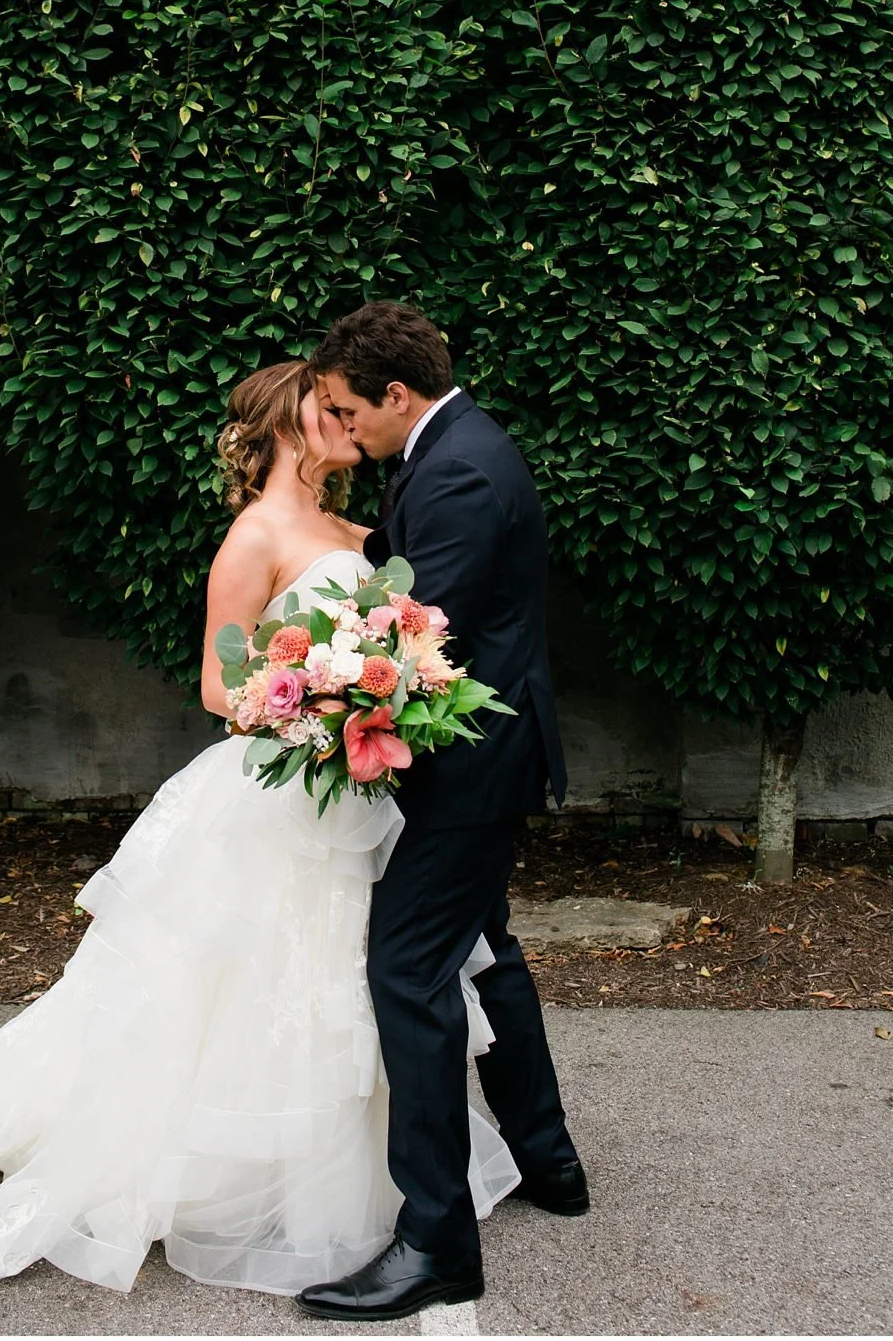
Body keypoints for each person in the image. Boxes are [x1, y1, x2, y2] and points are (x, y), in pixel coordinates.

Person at [0, 358, 520, 1296]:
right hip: (273, 791)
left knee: (343, 976)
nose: (342, 416)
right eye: (325, 404)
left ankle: (361, 1179)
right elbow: (220, 682)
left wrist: (366, 695)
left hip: (347, 795)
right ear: (286, 421)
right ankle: (226, 1170)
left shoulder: (359, 528)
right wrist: (309, 703)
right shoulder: (254, 536)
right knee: (229, 986)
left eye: (346, 404)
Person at [301, 301, 586, 1321]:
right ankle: (549, 1162)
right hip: (486, 758)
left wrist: (324, 687)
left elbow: (422, 632)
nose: (344, 428)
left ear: (395, 394)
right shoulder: (452, 448)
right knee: (485, 947)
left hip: (471, 768)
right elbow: (407, 563)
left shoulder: (459, 463)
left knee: (408, 967)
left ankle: (434, 1240)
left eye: (346, 409)